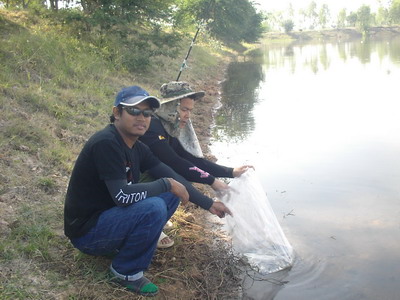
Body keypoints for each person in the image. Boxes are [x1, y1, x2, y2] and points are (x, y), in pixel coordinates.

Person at [64, 85, 232, 297]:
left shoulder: (137, 147)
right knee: (154, 205)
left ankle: (127, 246)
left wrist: (209, 204)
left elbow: (172, 174)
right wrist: (167, 184)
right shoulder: (106, 143)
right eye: (134, 111)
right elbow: (123, 196)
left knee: (170, 193)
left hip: (109, 219)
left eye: (147, 113)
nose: (141, 117)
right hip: (87, 233)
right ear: (117, 113)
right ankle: (125, 272)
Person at [139, 81, 253, 247]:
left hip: (149, 177)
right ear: (170, 107)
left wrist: (230, 172)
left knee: (184, 176)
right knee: (175, 181)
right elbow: (174, 162)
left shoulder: (167, 126)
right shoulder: (152, 128)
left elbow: (190, 158)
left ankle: (158, 218)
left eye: (190, 111)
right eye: (184, 109)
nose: (187, 115)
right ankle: (147, 224)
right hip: (132, 184)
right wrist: (210, 188)